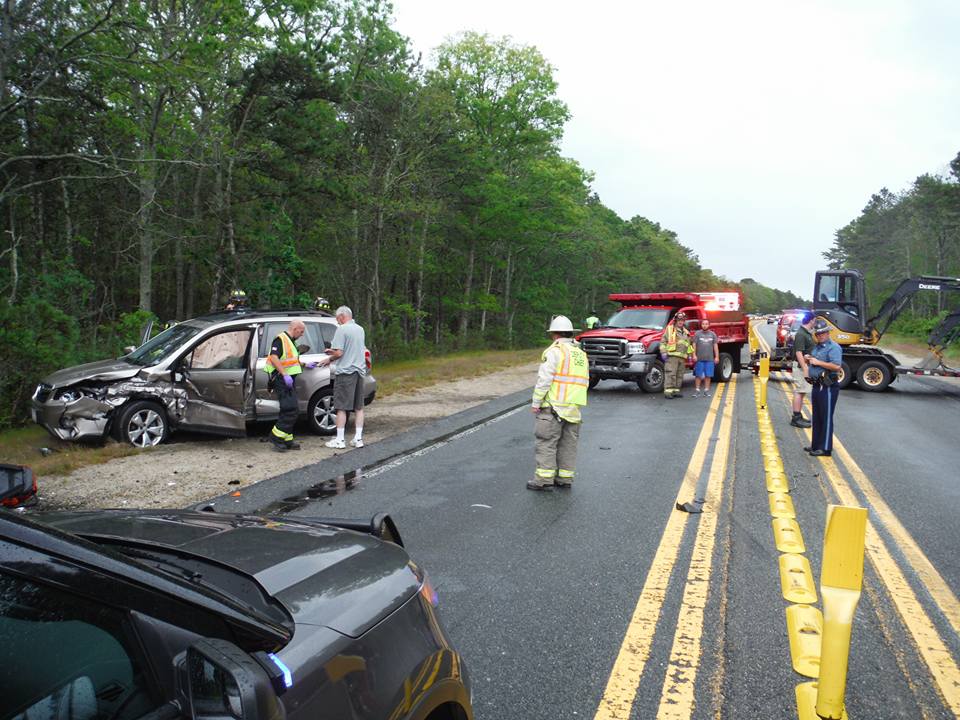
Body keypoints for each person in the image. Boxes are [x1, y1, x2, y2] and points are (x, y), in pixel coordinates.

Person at [529, 315, 589, 491]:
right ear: (570, 333)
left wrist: (536, 402)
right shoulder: (580, 354)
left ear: (554, 334)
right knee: (568, 445)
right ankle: (565, 478)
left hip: (554, 406)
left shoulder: (555, 352)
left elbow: (544, 380)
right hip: (574, 408)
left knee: (546, 442)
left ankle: (543, 479)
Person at [264, 320, 317, 452]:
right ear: (295, 328)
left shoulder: (291, 340)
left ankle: (287, 439)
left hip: (287, 380)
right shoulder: (280, 339)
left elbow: (291, 360)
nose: (302, 334)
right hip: (281, 379)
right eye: (302, 331)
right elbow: (274, 357)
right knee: (290, 409)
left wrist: (305, 365)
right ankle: (276, 437)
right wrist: (284, 374)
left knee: (290, 408)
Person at [319, 306, 367, 450]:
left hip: (346, 372)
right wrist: (333, 351)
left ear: (341, 316)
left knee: (341, 407)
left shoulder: (342, 329)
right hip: (360, 372)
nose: (336, 320)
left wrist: (329, 358)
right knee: (359, 407)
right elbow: (351, 348)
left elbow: (339, 353)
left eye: (337, 317)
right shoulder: (360, 329)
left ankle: (340, 440)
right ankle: (358, 438)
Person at [804, 319, 843, 457]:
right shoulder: (818, 347)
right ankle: (816, 444)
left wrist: (818, 361)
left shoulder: (833, 347)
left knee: (826, 417)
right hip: (817, 384)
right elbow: (815, 361)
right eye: (818, 334)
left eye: (822, 333)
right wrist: (809, 358)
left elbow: (836, 366)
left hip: (827, 385)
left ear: (828, 333)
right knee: (817, 417)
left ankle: (825, 448)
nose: (820, 336)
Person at [789, 313, 815, 428]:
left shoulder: (806, 333)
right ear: (811, 321)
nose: (815, 323)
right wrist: (805, 368)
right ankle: (795, 418)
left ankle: (798, 416)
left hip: (804, 365)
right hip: (800, 367)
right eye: (815, 320)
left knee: (802, 391)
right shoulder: (801, 334)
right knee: (799, 391)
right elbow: (799, 352)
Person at [660, 311, 694, 398]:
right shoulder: (670, 329)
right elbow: (663, 342)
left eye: (682, 320)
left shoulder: (686, 332)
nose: (680, 322)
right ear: (675, 320)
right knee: (671, 373)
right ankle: (668, 392)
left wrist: (690, 355)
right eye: (679, 320)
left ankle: (676, 391)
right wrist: (663, 352)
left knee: (679, 375)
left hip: (682, 357)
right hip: (672, 356)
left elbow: (688, 345)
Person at [692, 318, 720, 397]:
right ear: (701, 325)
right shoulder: (697, 334)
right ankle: (697, 390)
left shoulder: (712, 334)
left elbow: (715, 346)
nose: (705, 325)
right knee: (698, 375)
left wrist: (717, 357)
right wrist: (694, 355)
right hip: (699, 359)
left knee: (708, 375)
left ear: (709, 325)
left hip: (710, 359)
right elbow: (694, 345)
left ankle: (706, 390)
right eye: (703, 324)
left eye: (706, 324)